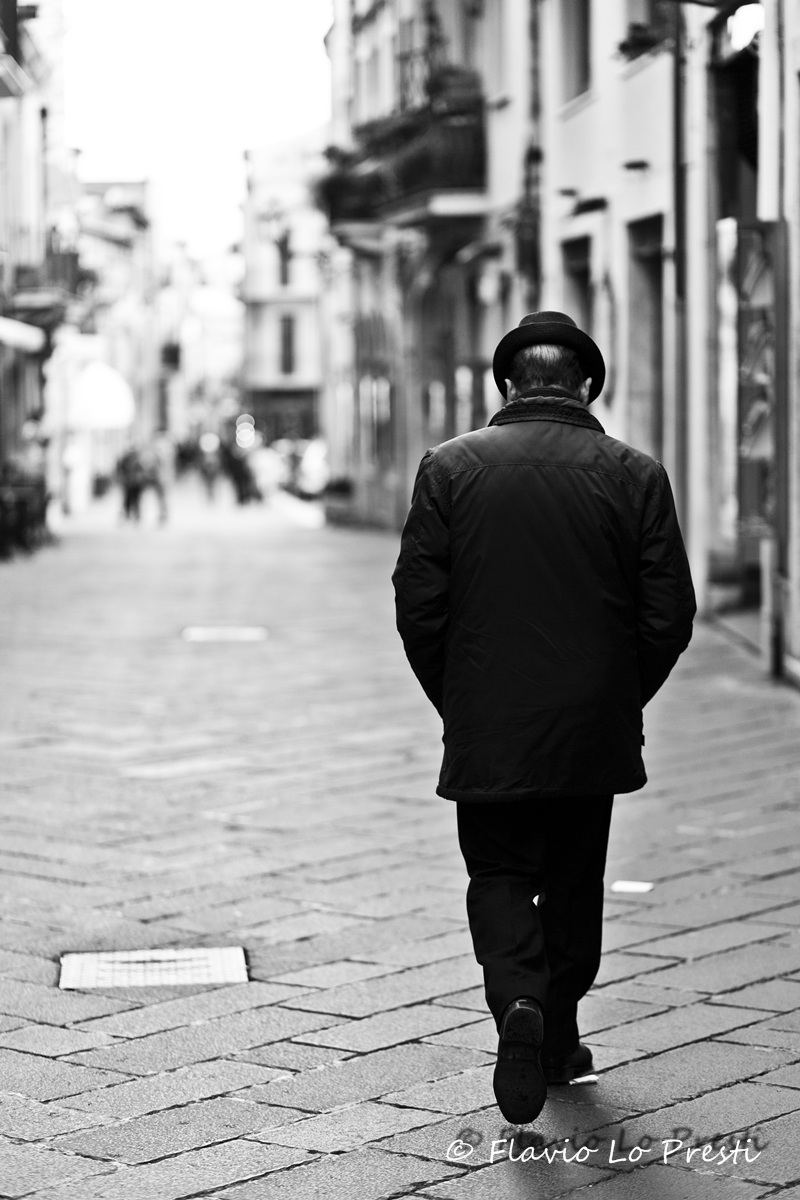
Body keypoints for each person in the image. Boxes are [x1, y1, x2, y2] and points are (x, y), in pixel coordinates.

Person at [392, 311, 696, 1125]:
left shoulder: (448, 468)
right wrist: (617, 698)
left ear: (506, 385)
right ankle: (557, 1032)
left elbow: (418, 610)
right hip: (588, 729)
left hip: (489, 723)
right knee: (571, 878)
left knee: (497, 874)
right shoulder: (634, 473)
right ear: (588, 385)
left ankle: (519, 1007)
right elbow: (669, 616)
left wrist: (460, 699)